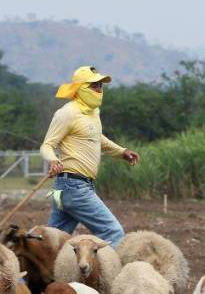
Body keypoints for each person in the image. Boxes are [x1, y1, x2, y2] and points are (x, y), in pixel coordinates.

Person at [40, 66, 139, 246]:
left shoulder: (93, 113)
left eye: (101, 86)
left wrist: (121, 152)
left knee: (53, 243)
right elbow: (47, 145)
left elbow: (98, 138)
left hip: (67, 189)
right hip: (73, 187)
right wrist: (53, 160)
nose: (99, 90)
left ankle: (30, 275)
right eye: (94, 86)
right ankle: (103, 273)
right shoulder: (67, 113)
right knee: (113, 231)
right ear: (81, 88)